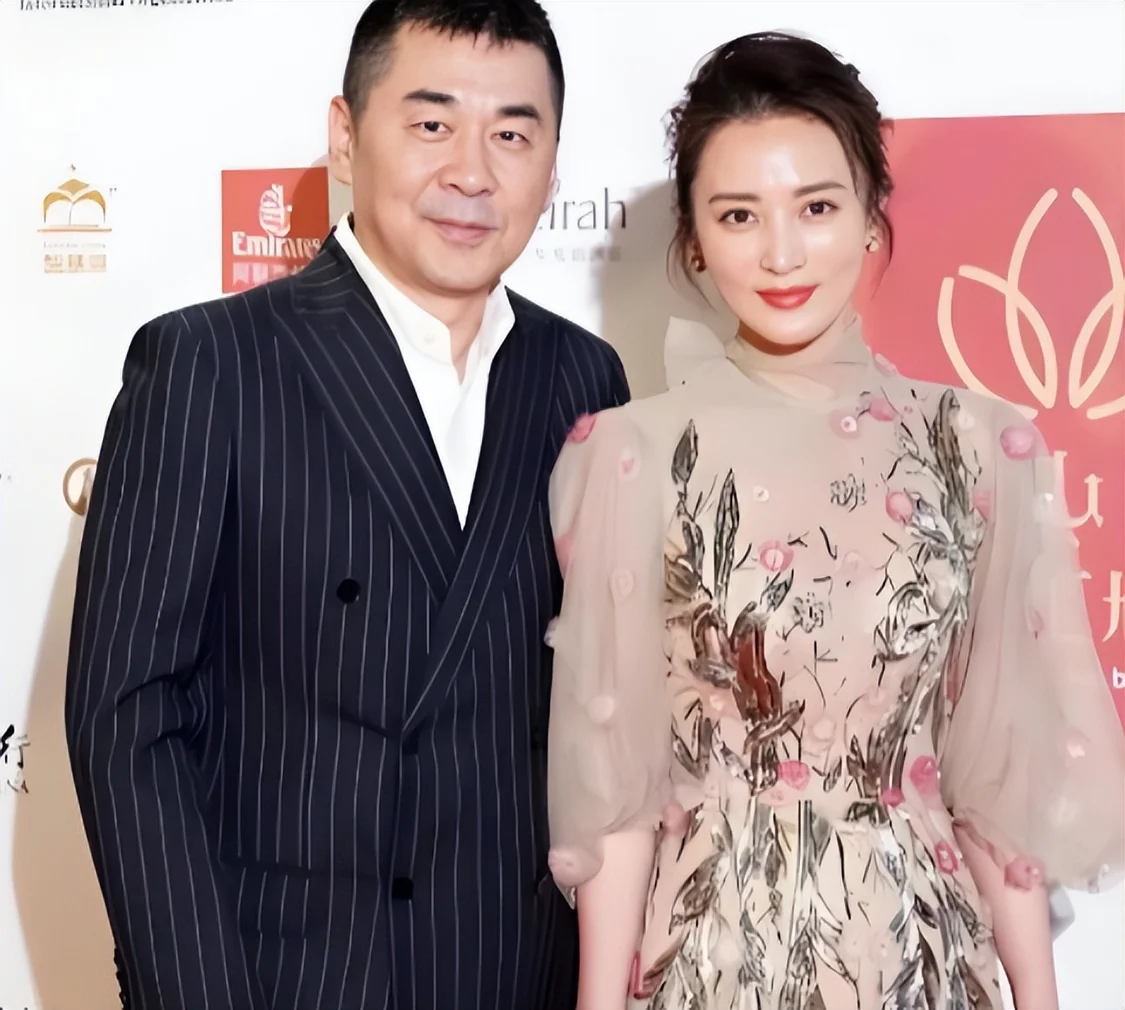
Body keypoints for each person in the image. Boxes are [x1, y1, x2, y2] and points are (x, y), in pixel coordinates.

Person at [63, 2, 628, 1009]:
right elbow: (126, 721)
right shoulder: (210, 364)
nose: (472, 172)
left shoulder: (583, 376)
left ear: (553, 160)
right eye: (431, 123)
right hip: (287, 977)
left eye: (511, 134)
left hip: (511, 971)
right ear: (343, 134)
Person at [545, 31, 1124, 1010]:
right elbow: (616, 798)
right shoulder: (630, 454)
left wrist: (1039, 996)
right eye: (738, 214)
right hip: (708, 965)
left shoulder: (980, 446)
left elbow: (995, 784)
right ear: (693, 238)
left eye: (816, 206)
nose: (780, 253)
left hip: (922, 960)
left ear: (869, 215)